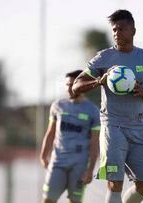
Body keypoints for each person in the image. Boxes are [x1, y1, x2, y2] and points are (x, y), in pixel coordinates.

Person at [72, 9, 143, 203]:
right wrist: (99, 81)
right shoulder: (103, 57)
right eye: (114, 30)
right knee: (115, 182)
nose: (116, 33)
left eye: (121, 29)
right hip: (113, 126)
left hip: (139, 126)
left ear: (133, 31)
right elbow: (76, 86)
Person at [40, 70, 101, 203]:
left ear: (81, 85)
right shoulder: (58, 106)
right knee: (48, 200)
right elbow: (50, 134)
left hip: (79, 165)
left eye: (72, 84)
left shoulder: (93, 111)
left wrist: (90, 170)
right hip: (58, 162)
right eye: (67, 85)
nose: (69, 88)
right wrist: (44, 155)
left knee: (74, 201)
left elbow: (95, 142)